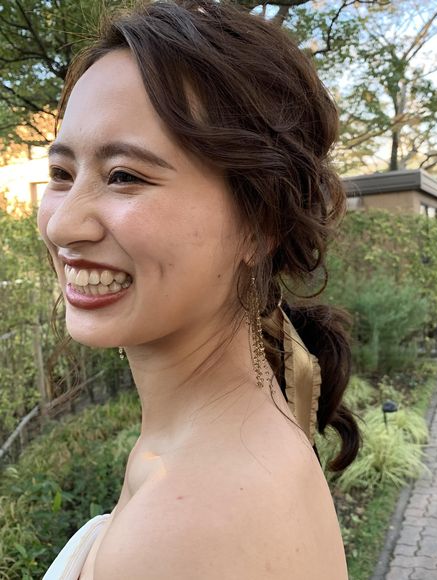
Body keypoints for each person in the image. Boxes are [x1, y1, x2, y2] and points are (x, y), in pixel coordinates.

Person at [39, 1, 361, 578]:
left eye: (123, 176)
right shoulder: (244, 420)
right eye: (62, 174)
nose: (63, 225)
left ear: (260, 221)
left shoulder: (186, 530)